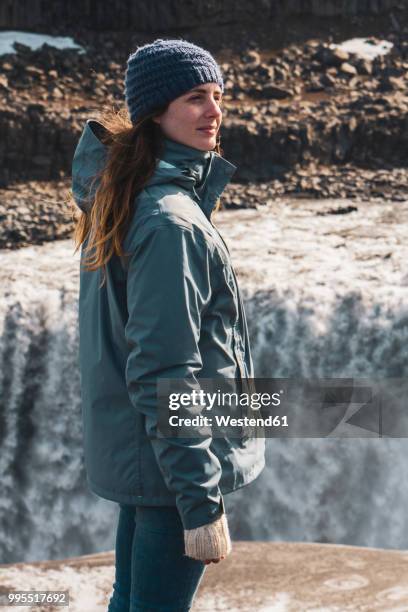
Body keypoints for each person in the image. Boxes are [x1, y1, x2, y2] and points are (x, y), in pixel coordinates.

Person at [71, 38, 265, 612]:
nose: (214, 111)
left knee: (129, 601)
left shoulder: (127, 197)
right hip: (173, 473)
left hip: (147, 464)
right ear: (155, 112)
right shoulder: (169, 222)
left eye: (217, 95)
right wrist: (201, 501)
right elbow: (165, 370)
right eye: (194, 97)